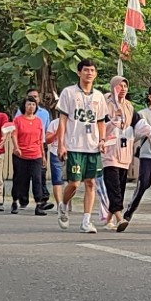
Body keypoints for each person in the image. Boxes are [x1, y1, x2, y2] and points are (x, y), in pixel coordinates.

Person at [56, 61, 112, 234]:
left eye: (92, 70)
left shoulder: (99, 96)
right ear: (79, 73)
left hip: (93, 145)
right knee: (74, 183)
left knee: (91, 182)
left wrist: (102, 140)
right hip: (74, 144)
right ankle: (63, 205)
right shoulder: (69, 93)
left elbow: (101, 121)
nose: (89, 73)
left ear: (95, 74)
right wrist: (61, 144)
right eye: (86, 70)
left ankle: (86, 221)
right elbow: (63, 120)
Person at [120, 84, 151, 231]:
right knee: (143, 184)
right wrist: (147, 132)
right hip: (148, 154)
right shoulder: (142, 114)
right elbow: (135, 134)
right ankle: (129, 212)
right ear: (150, 97)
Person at [102, 76, 137, 229]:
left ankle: (108, 219)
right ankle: (119, 217)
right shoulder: (105, 105)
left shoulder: (129, 106)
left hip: (124, 151)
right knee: (113, 185)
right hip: (109, 152)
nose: (122, 89)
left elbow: (136, 125)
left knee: (120, 187)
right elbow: (100, 128)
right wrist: (113, 121)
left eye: (125, 86)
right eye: (119, 86)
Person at [10, 99, 49, 214]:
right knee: (19, 179)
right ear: (24, 106)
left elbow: (41, 140)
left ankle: (38, 204)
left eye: (33, 104)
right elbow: (14, 135)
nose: (31, 107)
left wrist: (43, 155)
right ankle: (15, 201)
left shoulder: (38, 121)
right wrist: (16, 147)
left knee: (37, 179)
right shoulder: (18, 120)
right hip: (21, 154)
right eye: (29, 104)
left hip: (36, 154)